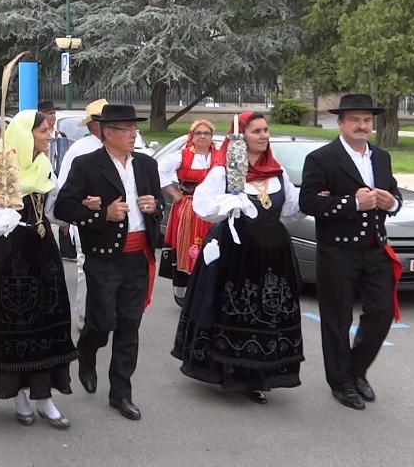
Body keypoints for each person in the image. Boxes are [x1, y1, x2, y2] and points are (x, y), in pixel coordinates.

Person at [171, 111, 304, 405]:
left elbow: (292, 208)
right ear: (241, 137)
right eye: (256, 130)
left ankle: (263, 371)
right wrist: (231, 203)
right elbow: (202, 206)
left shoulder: (278, 173)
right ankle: (234, 372)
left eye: (266, 130)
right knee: (236, 310)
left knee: (268, 313)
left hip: (272, 254)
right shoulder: (226, 173)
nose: (263, 135)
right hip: (237, 252)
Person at [0, 110, 78, 429]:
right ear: (26, 136)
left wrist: (80, 210)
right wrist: (2, 222)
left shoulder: (43, 167)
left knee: (46, 322)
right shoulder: (2, 173)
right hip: (8, 258)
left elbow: (51, 211)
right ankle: (19, 395)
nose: (49, 136)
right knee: (15, 325)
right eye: (42, 131)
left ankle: (44, 398)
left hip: (42, 254)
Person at [54, 104, 162, 421]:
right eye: (128, 129)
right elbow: (64, 207)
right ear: (108, 133)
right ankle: (87, 353)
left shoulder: (146, 165)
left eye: (134, 129)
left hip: (137, 257)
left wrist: (154, 206)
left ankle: (121, 394)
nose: (134, 134)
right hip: (103, 259)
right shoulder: (88, 165)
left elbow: (159, 205)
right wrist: (102, 214)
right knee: (101, 324)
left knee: (129, 327)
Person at [298, 94, 402, 411]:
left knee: (382, 313)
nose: (362, 125)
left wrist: (392, 203)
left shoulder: (381, 157)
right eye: (354, 119)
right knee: (337, 319)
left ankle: (356, 370)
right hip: (337, 251)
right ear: (340, 123)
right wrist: (352, 202)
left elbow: (394, 193)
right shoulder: (322, 158)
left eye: (367, 120)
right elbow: (308, 203)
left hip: (375, 247)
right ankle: (341, 383)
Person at [53, 98, 107, 330]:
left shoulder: (119, 148)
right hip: (86, 217)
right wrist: (70, 216)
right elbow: (65, 187)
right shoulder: (78, 150)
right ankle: (84, 314)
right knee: (86, 266)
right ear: (94, 124)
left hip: (114, 218)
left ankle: (104, 312)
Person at [158, 120, 216, 306]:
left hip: (212, 207)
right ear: (192, 135)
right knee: (187, 246)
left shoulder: (218, 156)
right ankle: (186, 290)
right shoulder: (182, 156)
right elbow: (159, 171)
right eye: (198, 133)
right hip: (189, 207)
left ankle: (208, 287)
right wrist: (174, 193)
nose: (202, 136)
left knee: (212, 245)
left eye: (206, 133)